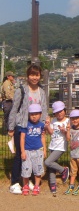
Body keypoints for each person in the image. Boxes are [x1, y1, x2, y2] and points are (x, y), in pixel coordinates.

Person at [8, 64, 48, 195]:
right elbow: (14, 109)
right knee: (21, 155)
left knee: (33, 155)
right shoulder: (22, 90)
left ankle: (27, 180)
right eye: (32, 74)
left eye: (36, 75)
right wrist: (11, 127)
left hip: (36, 128)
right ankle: (15, 182)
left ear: (40, 76)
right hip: (22, 125)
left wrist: (43, 125)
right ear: (27, 76)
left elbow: (44, 109)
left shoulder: (42, 91)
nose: (34, 77)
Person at [44, 101, 70, 196]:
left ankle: (63, 170)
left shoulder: (67, 121)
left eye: (61, 111)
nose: (59, 113)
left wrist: (64, 130)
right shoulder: (54, 120)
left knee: (47, 162)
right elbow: (51, 132)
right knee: (51, 166)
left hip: (60, 147)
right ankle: (53, 184)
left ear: (65, 111)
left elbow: (68, 136)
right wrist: (47, 125)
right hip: (52, 145)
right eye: (57, 112)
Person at [20, 104, 46, 196]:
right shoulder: (25, 125)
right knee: (26, 169)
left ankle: (36, 185)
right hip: (27, 151)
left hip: (38, 150)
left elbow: (43, 137)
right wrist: (22, 151)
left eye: (36, 114)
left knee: (38, 169)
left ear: (40, 114)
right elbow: (22, 138)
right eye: (32, 114)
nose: (34, 116)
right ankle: (26, 185)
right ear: (29, 115)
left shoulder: (42, 125)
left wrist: (44, 150)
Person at [64, 109, 79, 196]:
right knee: (73, 171)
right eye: (73, 119)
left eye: (77, 118)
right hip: (73, 154)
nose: (75, 120)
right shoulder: (71, 129)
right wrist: (68, 130)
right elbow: (68, 138)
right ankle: (71, 185)